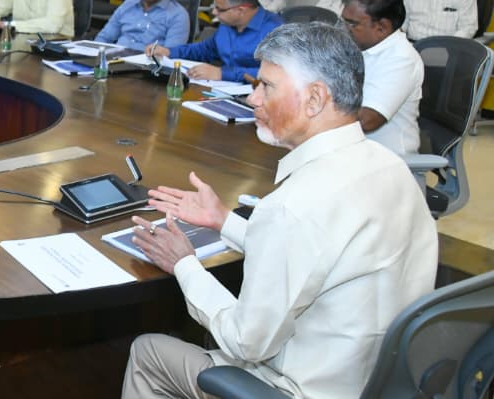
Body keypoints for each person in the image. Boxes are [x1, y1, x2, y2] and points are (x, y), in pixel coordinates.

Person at [122, 22, 437, 399]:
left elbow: (246, 341)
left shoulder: (294, 205)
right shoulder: (391, 167)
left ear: (315, 99)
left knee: (148, 352)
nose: (253, 99)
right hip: (382, 382)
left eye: (267, 86)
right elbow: (314, 253)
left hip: (300, 389)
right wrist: (223, 220)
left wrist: (184, 264)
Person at [146, 0, 282, 82]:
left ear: (240, 10)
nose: (214, 13)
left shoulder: (276, 32)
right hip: (222, 92)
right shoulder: (227, 24)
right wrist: (169, 51)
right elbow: (205, 50)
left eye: (219, 9)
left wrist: (222, 73)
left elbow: (277, 73)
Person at [340, 0, 423, 157]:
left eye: (352, 24)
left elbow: (368, 120)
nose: (345, 29)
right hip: (351, 149)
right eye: (344, 21)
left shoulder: (402, 58)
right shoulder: (359, 47)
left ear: (382, 27)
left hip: (385, 158)